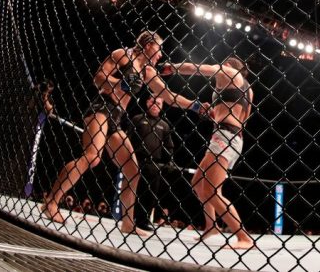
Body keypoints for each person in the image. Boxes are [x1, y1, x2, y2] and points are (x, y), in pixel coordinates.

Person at [43, 31, 207, 236]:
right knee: (92, 156)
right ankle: (51, 201)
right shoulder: (122, 55)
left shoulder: (147, 71)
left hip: (117, 117)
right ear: (148, 45)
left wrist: (195, 106)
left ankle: (128, 223)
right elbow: (98, 78)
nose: (160, 54)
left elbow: (169, 96)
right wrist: (119, 83)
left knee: (132, 170)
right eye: (159, 48)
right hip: (102, 107)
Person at [161, 56, 255, 249]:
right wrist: (214, 114)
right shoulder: (247, 89)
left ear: (227, 65)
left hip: (225, 136)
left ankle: (243, 237)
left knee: (211, 190)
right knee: (198, 182)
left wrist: (172, 67)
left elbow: (194, 68)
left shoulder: (227, 71)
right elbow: (238, 114)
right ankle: (211, 226)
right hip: (230, 135)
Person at [128, 96, 178, 232]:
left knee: (150, 194)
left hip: (154, 164)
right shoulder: (137, 119)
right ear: (147, 102)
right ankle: (128, 218)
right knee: (133, 190)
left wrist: (170, 160)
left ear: (161, 106)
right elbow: (129, 139)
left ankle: (143, 221)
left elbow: (169, 146)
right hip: (136, 160)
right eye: (152, 102)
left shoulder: (164, 125)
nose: (155, 105)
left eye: (158, 103)